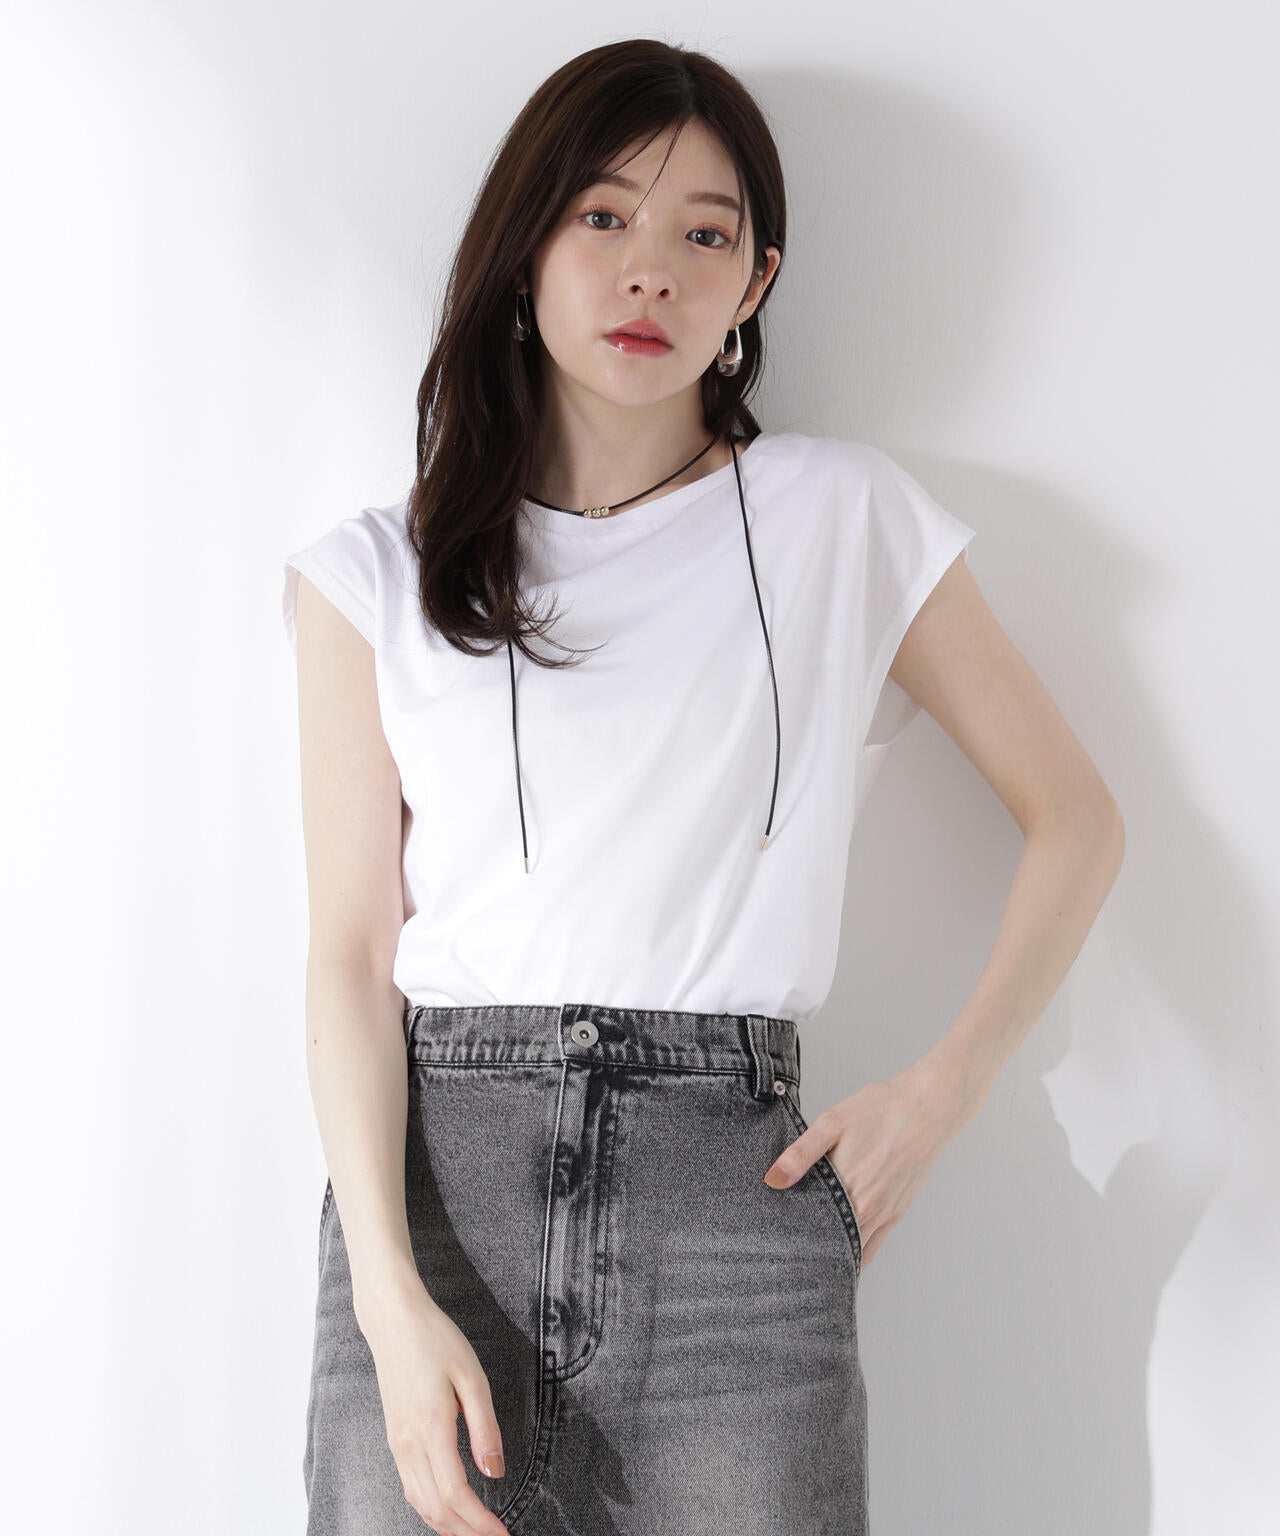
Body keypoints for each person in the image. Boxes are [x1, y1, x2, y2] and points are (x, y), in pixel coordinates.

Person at [281, 38, 1124, 1536]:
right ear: (524, 249)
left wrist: (938, 1095)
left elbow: (1078, 818)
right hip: (435, 1191)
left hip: (729, 1209)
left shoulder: (840, 517)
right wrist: (387, 1296)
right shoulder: (376, 575)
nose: (650, 272)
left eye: (705, 235)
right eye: (602, 217)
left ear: (755, 283)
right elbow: (350, 954)